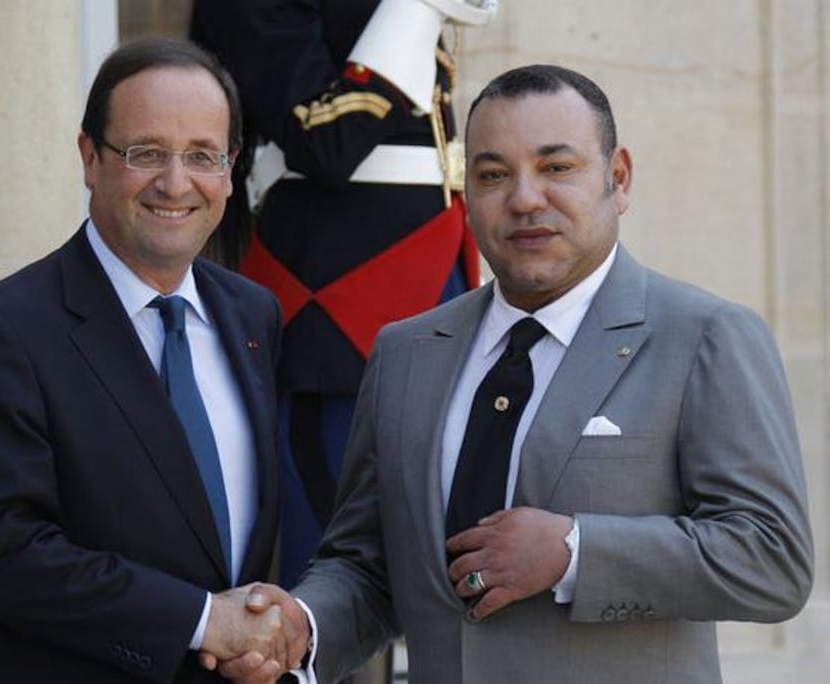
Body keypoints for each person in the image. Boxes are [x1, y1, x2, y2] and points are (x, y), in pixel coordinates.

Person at [217, 64, 815, 683]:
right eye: (494, 174)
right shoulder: (405, 351)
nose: (525, 198)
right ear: (466, 192)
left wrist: (574, 553)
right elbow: (369, 565)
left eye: (557, 168)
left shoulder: (705, 336)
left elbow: (772, 560)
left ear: (619, 178)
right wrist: (302, 626)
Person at [0, 37, 301, 683]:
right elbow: (5, 556)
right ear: (90, 158)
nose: (176, 183)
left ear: (232, 167)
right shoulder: (0, 331)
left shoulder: (253, 316)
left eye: (203, 156)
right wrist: (200, 619)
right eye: (146, 153)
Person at [191, 0, 498, 587]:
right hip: (337, 289)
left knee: (431, 523)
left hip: (428, 257)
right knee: (333, 537)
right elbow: (327, 139)